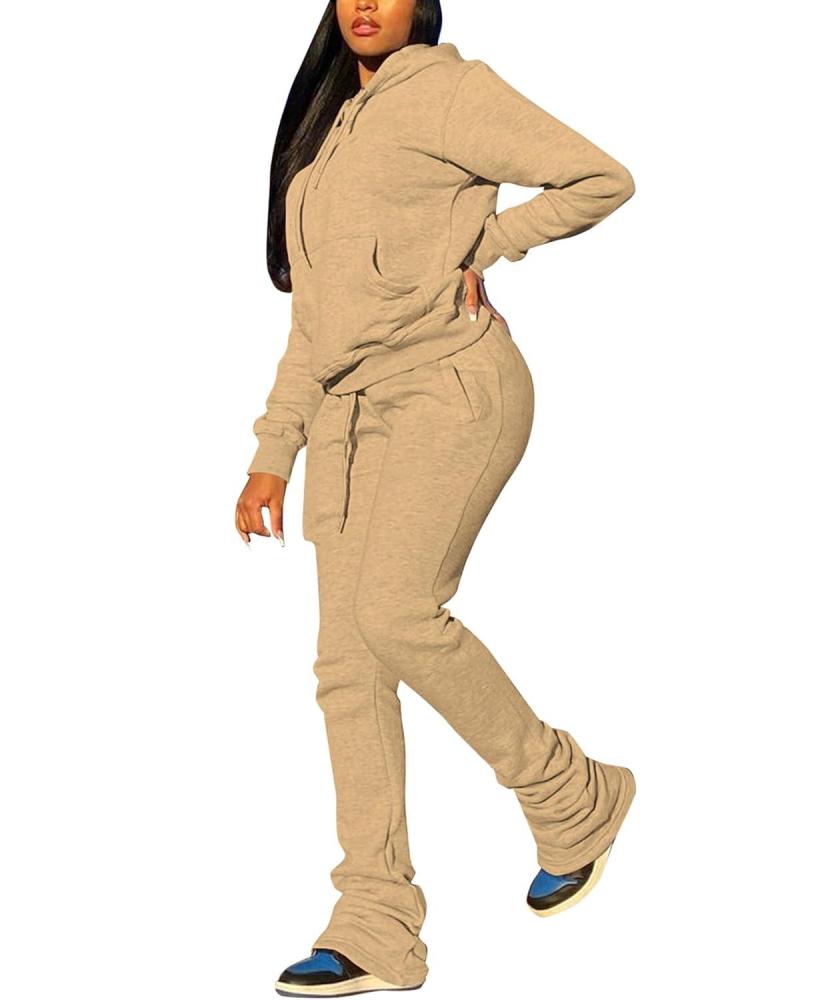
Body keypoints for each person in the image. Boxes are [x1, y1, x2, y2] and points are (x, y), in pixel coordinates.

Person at [234, 2, 637, 995]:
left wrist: (486, 246)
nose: (365, 2)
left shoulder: (450, 92)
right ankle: (375, 925)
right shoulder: (328, 134)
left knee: (395, 613)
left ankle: (568, 794)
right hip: (347, 416)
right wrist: (275, 449)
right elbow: (316, 318)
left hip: (450, 388)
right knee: (346, 669)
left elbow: (599, 177)